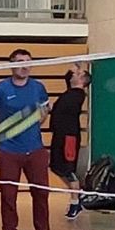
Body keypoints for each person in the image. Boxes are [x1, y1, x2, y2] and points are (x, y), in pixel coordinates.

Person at [0, 49, 55, 230]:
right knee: (8, 195)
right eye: (20, 61)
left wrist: (30, 127)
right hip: (9, 151)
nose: (25, 66)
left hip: (35, 150)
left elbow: (44, 112)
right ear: (12, 65)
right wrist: (4, 134)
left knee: (41, 194)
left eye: (28, 62)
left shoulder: (38, 88)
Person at [48, 65, 91, 219]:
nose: (73, 74)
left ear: (82, 80)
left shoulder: (78, 95)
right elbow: (68, 77)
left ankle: (75, 203)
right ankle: (79, 193)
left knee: (67, 169)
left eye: (77, 73)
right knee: (55, 167)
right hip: (59, 136)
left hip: (69, 138)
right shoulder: (69, 93)